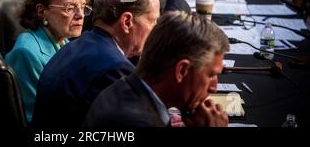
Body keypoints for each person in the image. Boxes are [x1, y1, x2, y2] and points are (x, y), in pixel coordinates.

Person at [31, 0, 169, 128]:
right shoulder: (115, 69)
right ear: (127, 21)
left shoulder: (74, 46)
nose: (156, 29)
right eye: (152, 21)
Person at [84, 11, 230, 127]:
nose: (214, 88)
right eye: (211, 75)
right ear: (182, 71)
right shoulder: (135, 121)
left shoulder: (125, 87)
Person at [5, 0, 90, 122]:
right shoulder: (26, 53)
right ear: (42, 11)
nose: (81, 15)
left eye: (83, 7)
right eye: (69, 8)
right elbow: (37, 118)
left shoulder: (62, 39)